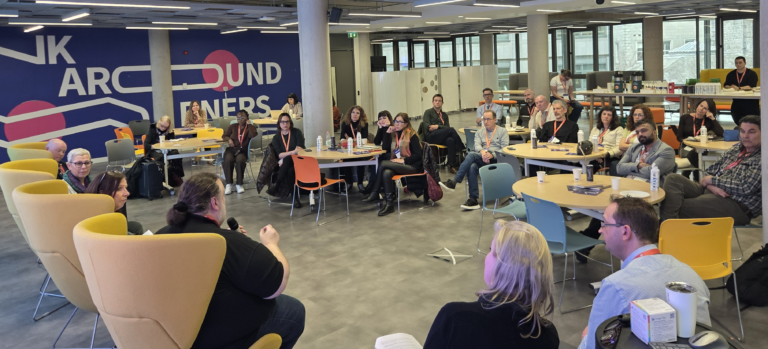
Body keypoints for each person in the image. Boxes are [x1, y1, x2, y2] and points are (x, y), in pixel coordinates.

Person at [156, 173, 305, 349]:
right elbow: (277, 284)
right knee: (293, 311)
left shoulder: (159, 237)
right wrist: (271, 244)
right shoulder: (225, 243)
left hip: (171, 334)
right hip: (216, 336)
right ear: (214, 203)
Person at [578, 196, 711, 349]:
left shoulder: (616, 286)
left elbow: (592, 346)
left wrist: (588, 336)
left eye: (605, 223)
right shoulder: (692, 276)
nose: (600, 229)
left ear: (625, 231)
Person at [424, 220, 559, 349]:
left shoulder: (455, 316)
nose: (486, 257)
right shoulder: (548, 335)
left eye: (491, 250)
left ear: (503, 267)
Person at [577, 119, 676, 262]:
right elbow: (619, 167)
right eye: (637, 132)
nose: (640, 134)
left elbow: (652, 172)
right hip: (628, 186)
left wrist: (632, 166)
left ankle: (587, 240)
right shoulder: (634, 148)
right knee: (606, 206)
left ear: (654, 132)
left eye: (644, 131)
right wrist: (639, 165)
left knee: (614, 209)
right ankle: (589, 241)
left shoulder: (666, 150)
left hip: (648, 189)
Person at [661, 115, 761, 226]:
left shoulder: (762, 157)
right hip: (712, 190)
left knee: (676, 206)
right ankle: (671, 230)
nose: (745, 136)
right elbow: (710, 171)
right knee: (673, 179)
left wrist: (712, 181)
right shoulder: (735, 149)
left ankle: (667, 230)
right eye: (742, 131)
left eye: (752, 132)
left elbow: (746, 187)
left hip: (736, 204)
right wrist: (711, 185)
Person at [440, 110, 509, 210]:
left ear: (495, 120)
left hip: (496, 160)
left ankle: (455, 181)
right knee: (472, 167)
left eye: (488, 119)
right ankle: (473, 200)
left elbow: (504, 148)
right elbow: (477, 145)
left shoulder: (502, 131)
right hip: (483, 157)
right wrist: (483, 153)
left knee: (471, 155)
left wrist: (492, 155)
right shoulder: (480, 132)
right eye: (484, 119)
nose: (485, 122)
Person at [363, 113, 423, 216]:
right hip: (401, 163)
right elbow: (386, 148)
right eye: (395, 121)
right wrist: (387, 133)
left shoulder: (411, 135)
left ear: (406, 124)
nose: (397, 124)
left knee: (382, 163)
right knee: (386, 172)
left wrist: (404, 160)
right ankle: (389, 204)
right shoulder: (396, 134)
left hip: (413, 166)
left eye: (400, 122)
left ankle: (375, 192)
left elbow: (418, 154)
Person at [678, 99, 724, 181]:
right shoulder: (685, 118)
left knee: (697, 153)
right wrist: (688, 141)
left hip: (701, 147)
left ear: (708, 111)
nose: (701, 109)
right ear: (697, 105)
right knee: (696, 156)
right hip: (686, 146)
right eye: (701, 105)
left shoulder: (708, 121)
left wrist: (713, 118)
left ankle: (685, 177)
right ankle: (697, 180)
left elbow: (721, 133)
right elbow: (679, 137)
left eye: (705, 108)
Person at [86, 171, 144, 235]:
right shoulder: (97, 219)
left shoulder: (104, 209)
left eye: (125, 188)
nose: (127, 193)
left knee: (136, 227)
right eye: (119, 188)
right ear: (102, 193)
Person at [266, 113, 305, 208]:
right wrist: (292, 152)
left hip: (299, 161)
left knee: (288, 158)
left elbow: (300, 150)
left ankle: (277, 184)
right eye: (282, 122)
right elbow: (279, 155)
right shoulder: (276, 138)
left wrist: (287, 155)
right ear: (279, 123)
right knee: (290, 170)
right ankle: (295, 198)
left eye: (287, 121)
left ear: (290, 122)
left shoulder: (296, 132)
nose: (285, 124)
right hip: (286, 165)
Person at [422, 94, 465, 173]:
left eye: (439, 101)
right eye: (436, 101)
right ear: (432, 102)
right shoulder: (428, 112)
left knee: (451, 140)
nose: (437, 102)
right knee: (451, 130)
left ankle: (451, 165)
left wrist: (437, 126)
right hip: (431, 136)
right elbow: (427, 127)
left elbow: (447, 128)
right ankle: (462, 148)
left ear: (442, 103)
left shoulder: (444, 115)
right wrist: (440, 127)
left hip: (442, 136)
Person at [222, 110, 259, 195]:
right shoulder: (233, 126)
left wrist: (249, 124)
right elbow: (224, 136)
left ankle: (239, 184)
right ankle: (229, 184)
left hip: (242, 151)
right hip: (231, 150)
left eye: (242, 118)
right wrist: (229, 139)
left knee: (240, 161)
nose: (240, 120)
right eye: (238, 118)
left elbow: (253, 135)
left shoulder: (250, 127)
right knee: (228, 160)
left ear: (247, 118)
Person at [360, 111, 394, 195]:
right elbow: (377, 142)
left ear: (389, 119)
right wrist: (380, 129)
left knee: (378, 160)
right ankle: (374, 186)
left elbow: (386, 146)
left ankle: (372, 186)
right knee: (374, 160)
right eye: (380, 119)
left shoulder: (392, 129)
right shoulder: (383, 128)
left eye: (384, 118)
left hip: (395, 154)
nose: (382, 120)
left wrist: (386, 129)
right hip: (387, 153)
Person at [340, 105, 370, 192]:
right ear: (350, 114)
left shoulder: (364, 124)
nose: (355, 114)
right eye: (353, 112)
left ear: (361, 115)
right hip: (348, 149)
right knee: (346, 161)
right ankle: (349, 183)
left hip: (360, 149)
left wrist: (349, 139)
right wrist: (355, 140)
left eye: (357, 113)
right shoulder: (345, 124)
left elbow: (365, 140)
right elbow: (342, 140)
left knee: (360, 160)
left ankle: (360, 183)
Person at [724, 56, 760, 124]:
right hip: (737, 100)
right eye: (736, 63)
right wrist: (731, 87)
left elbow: (751, 86)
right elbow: (726, 85)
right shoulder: (731, 74)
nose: (738, 64)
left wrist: (739, 88)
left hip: (750, 102)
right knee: (738, 120)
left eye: (740, 62)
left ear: (745, 63)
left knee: (751, 121)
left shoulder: (752, 74)